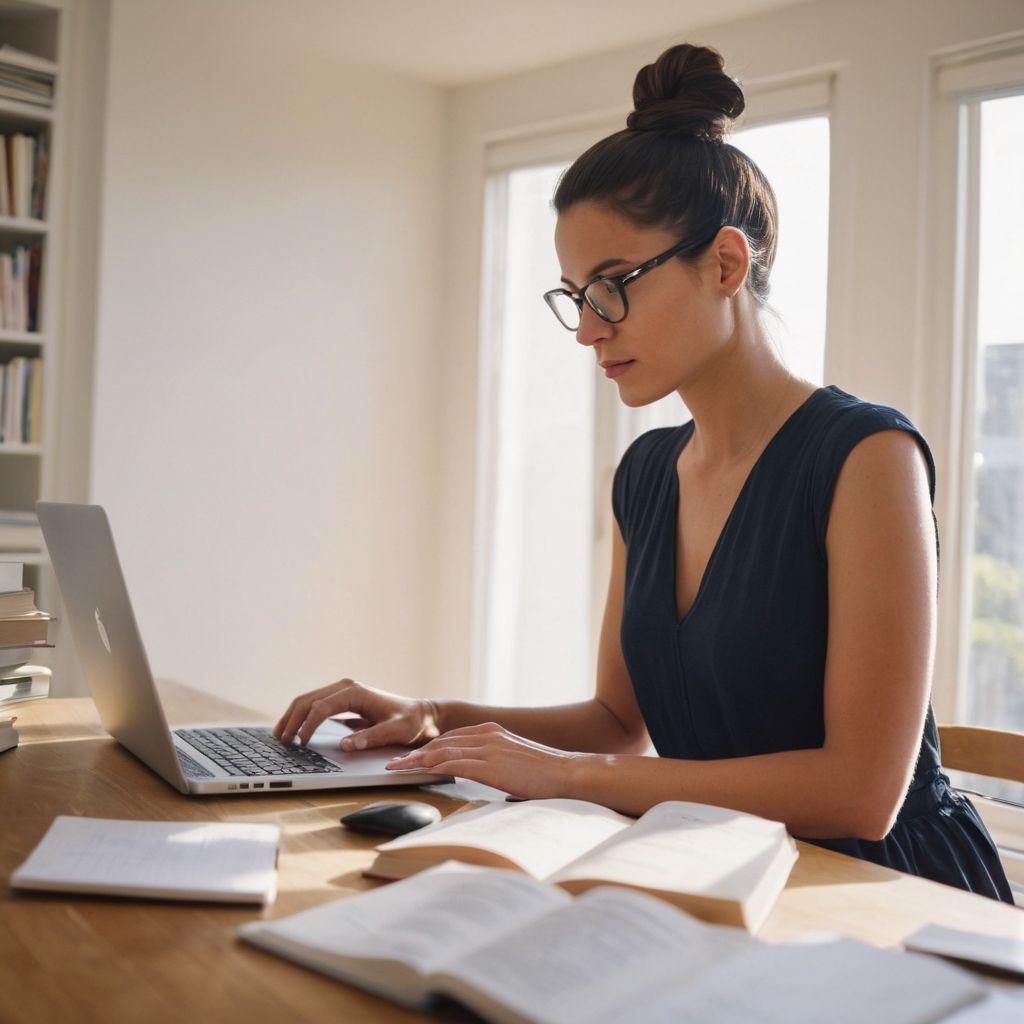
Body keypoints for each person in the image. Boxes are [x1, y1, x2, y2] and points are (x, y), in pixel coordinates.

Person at [274, 43, 1013, 904]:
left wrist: (566, 776)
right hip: (712, 870)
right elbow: (619, 725)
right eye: (574, 297)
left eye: (612, 284)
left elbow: (861, 793)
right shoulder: (647, 473)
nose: (589, 330)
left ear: (727, 265)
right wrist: (439, 714)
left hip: (885, 893)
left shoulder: (865, 458)